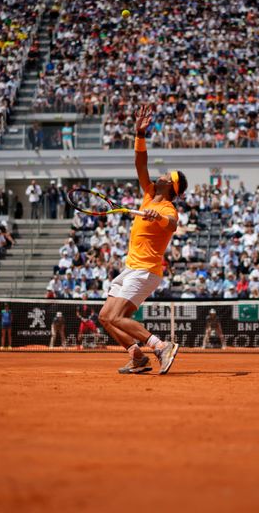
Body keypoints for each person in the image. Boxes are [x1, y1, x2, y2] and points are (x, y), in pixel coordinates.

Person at [98, 105, 188, 375]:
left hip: (146, 271)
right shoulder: (150, 194)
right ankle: (136, 356)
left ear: (170, 187)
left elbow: (172, 224)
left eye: (166, 176)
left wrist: (156, 218)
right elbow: (141, 162)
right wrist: (139, 133)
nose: (160, 176)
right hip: (131, 268)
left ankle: (160, 346)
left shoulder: (167, 209)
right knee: (105, 317)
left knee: (117, 317)